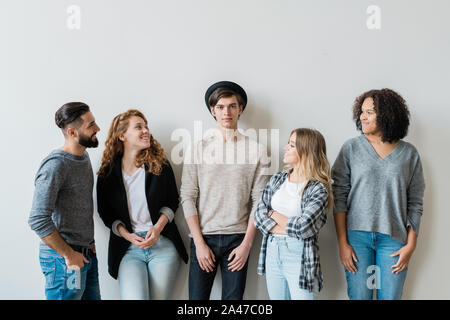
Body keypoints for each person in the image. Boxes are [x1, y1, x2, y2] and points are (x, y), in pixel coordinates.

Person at [332, 88, 425, 300]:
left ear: (387, 115)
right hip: (356, 239)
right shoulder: (351, 148)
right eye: (361, 112)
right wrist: (343, 243)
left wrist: (411, 244)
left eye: (370, 112)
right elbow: (339, 196)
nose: (362, 117)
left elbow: (416, 203)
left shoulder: (409, 154)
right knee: (359, 297)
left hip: (394, 240)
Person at [180, 81, 270, 300]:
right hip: (204, 237)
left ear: (240, 109)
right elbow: (187, 195)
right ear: (213, 110)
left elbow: (259, 200)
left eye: (232, 106)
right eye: (220, 107)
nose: (226, 112)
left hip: (238, 238)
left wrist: (247, 245)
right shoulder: (197, 147)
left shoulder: (257, 150)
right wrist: (199, 244)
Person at [96, 109, 188, 300]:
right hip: (128, 249)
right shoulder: (108, 172)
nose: (146, 131)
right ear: (122, 135)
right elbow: (106, 213)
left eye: (146, 126)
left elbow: (172, 201)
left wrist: (157, 229)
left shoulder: (159, 164)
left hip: (162, 245)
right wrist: (127, 235)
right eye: (139, 127)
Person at [28, 102, 101, 300]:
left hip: (85, 255)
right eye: (91, 125)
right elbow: (37, 219)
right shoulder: (56, 166)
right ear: (72, 132)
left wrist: (88, 243)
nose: (98, 129)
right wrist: (69, 254)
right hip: (64, 262)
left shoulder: (83, 158)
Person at [254, 128, 331, 300]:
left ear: (305, 151)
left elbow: (304, 228)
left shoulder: (318, 188)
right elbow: (258, 215)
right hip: (272, 250)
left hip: (299, 254)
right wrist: (286, 226)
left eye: (291, 145)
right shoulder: (278, 179)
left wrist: (272, 214)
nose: (285, 148)